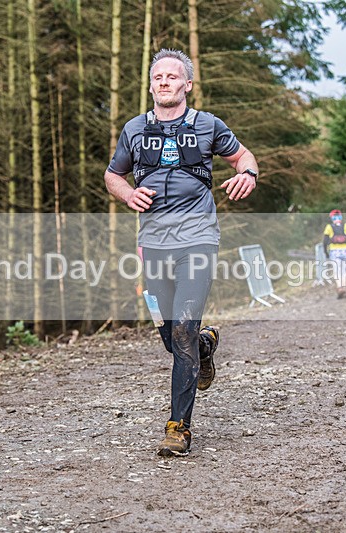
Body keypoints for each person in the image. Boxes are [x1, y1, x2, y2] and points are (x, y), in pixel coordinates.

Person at [104, 49, 259, 457]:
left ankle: (179, 426)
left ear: (187, 84)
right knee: (169, 334)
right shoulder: (135, 129)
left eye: (173, 76)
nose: (164, 82)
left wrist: (248, 173)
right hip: (152, 244)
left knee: (183, 327)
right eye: (158, 77)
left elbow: (243, 156)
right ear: (151, 84)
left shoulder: (207, 125)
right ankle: (204, 347)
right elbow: (112, 174)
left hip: (198, 240)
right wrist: (128, 193)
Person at [323, 209, 346, 299]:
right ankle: (344, 288)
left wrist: (325, 252)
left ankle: (339, 288)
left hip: (334, 251)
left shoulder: (329, 227)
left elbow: (325, 241)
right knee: (344, 271)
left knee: (337, 271)